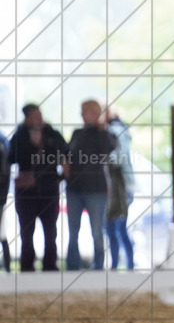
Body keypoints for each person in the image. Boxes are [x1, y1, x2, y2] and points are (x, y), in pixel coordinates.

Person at [8, 104, 67, 271]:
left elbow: (66, 156)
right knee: (26, 231)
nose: (39, 119)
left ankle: (50, 264)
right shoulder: (19, 136)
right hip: (26, 192)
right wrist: (31, 146)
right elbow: (11, 159)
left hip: (49, 189)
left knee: (51, 230)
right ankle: (27, 265)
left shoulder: (52, 134)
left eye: (40, 115)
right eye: (34, 116)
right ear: (27, 119)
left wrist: (60, 178)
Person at [66, 99, 117, 270]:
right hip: (74, 189)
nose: (82, 115)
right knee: (73, 231)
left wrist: (102, 129)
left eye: (85, 112)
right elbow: (68, 154)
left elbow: (108, 149)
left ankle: (99, 267)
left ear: (95, 113)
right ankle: (72, 267)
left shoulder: (105, 133)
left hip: (96, 190)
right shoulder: (77, 133)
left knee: (97, 231)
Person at [103, 105, 136, 270]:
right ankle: (127, 265)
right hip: (124, 184)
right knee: (119, 228)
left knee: (114, 228)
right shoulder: (121, 129)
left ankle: (118, 266)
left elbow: (117, 158)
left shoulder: (114, 130)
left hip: (119, 186)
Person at [0, 124, 11, 272]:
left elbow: (4, 174)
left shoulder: (2, 142)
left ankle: (8, 269)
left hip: (0, 197)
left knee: (2, 233)